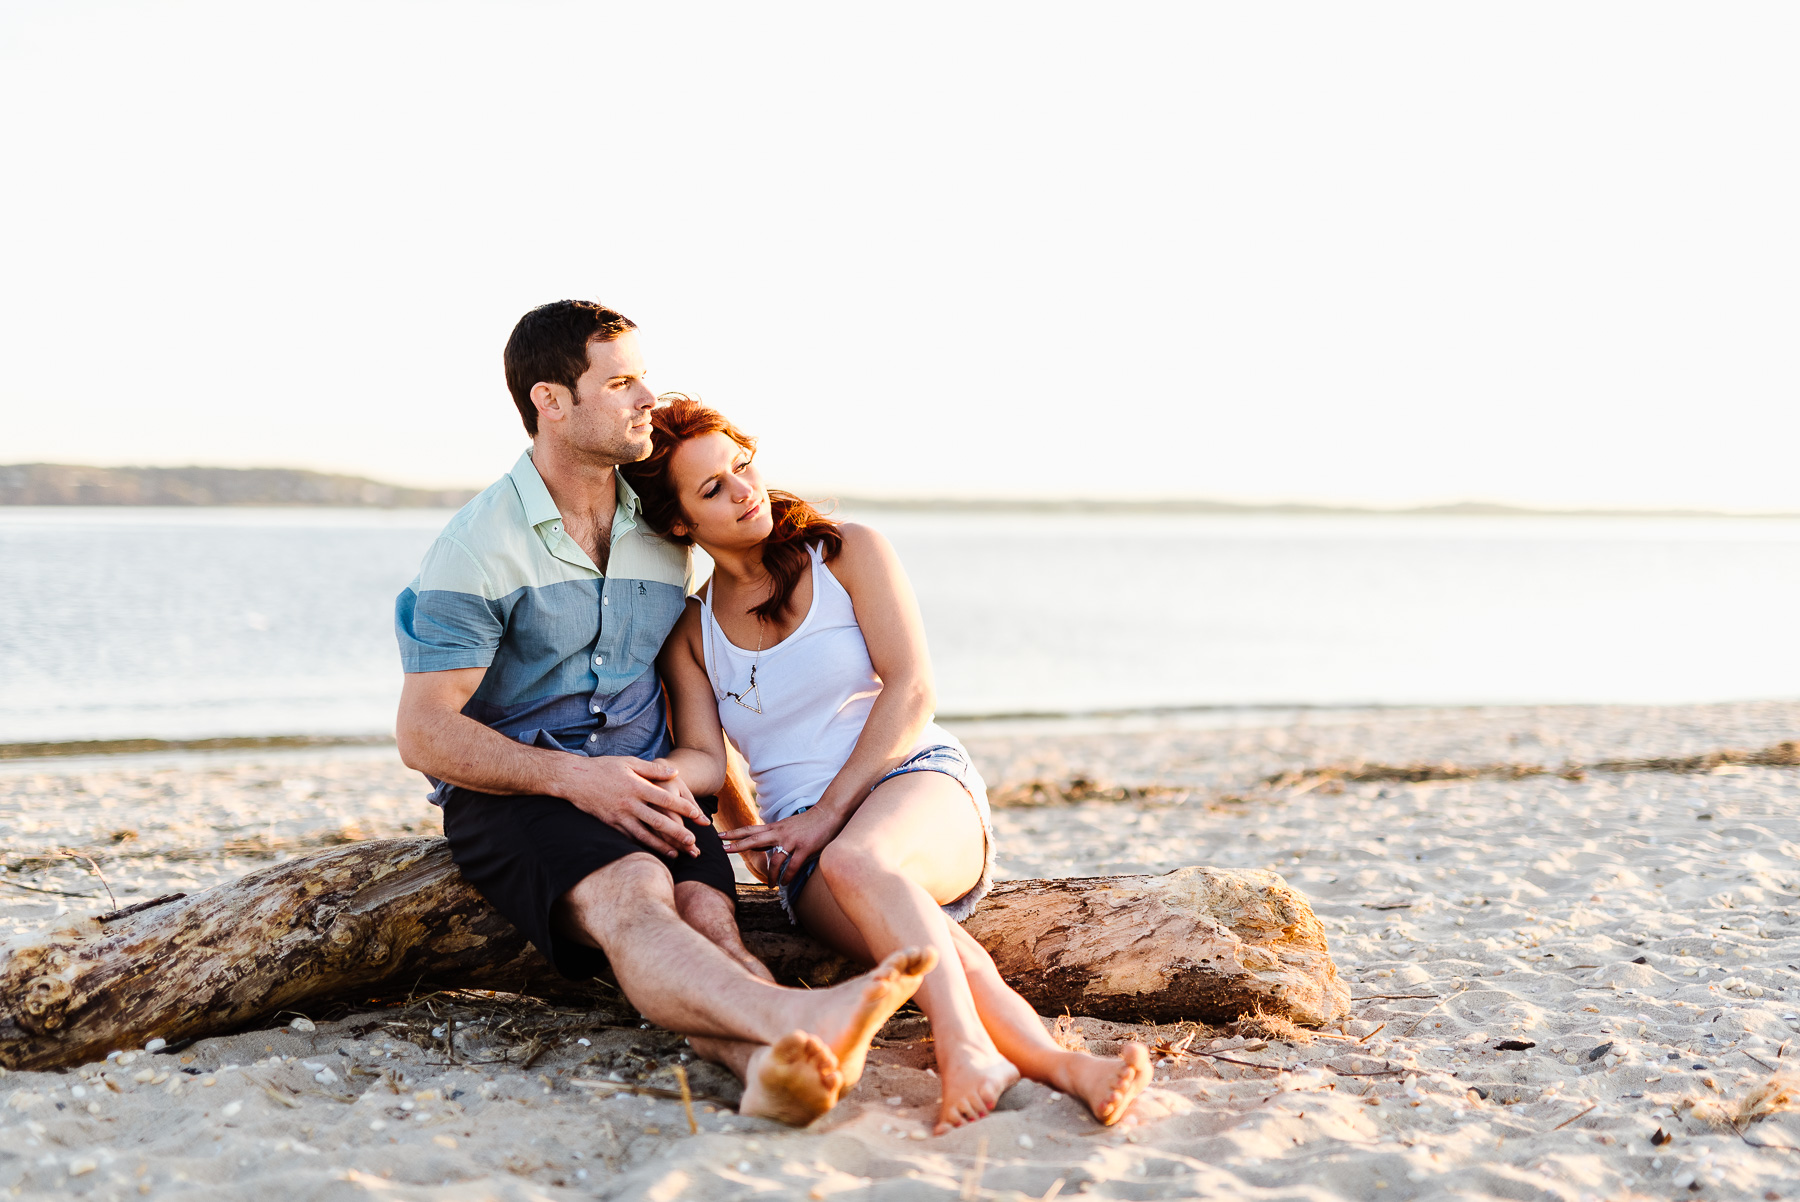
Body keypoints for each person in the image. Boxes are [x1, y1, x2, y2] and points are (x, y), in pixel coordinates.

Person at [392, 301, 933, 1126]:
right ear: (551, 401)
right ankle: (796, 1017)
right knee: (635, 892)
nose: (647, 396)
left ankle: (767, 1068)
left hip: (657, 780)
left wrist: (736, 819)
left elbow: (716, 663)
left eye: (642, 375)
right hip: (523, 790)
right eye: (621, 381)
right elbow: (423, 732)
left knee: (711, 915)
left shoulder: (662, 526)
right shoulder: (478, 545)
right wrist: (579, 781)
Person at [622, 396, 1152, 1135]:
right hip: (810, 855)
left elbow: (912, 688)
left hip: (915, 783)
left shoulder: (845, 552)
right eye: (713, 488)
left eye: (742, 467)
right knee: (933, 941)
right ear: (680, 523)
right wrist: (668, 791)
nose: (744, 491)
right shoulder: (692, 628)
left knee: (862, 859)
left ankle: (965, 1047)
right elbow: (710, 760)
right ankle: (1068, 1067)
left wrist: (826, 815)